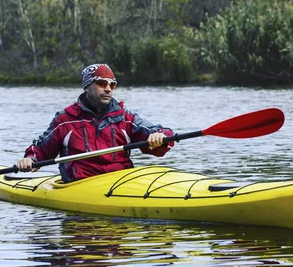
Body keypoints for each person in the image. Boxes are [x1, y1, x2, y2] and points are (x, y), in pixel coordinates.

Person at [16, 63, 175, 182]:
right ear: (87, 87)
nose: (108, 89)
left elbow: (163, 132)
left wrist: (160, 137)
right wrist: (31, 158)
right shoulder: (65, 120)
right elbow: (41, 149)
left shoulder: (125, 118)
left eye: (112, 84)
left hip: (120, 183)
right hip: (80, 186)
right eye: (101, 83)